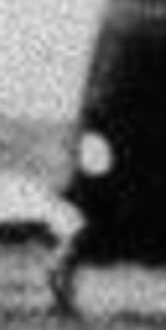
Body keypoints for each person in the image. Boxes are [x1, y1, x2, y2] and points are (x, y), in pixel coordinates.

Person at [47, 124, 115, 317]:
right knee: (66, 270)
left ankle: (65, 306)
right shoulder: (90, 183)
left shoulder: (85, 184)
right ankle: (66, 305)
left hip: (76, 231)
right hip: (78, 230)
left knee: (57, 270)